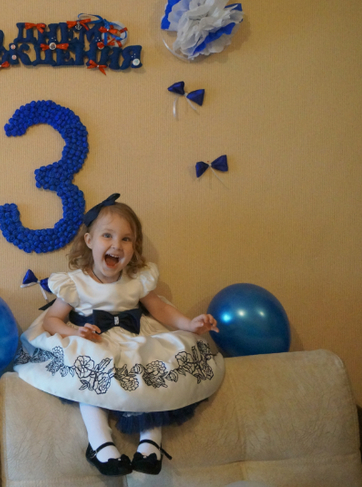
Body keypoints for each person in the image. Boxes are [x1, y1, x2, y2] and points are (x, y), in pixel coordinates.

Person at [14, 194, 225, 476]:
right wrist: (75, 331)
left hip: (135, 339)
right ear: (89, 240)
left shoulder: (138, 279)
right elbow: (52, 321)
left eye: (126, 239)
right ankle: (100, 443)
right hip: (94, 341)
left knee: (154, 371)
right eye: (108, 235)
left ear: (134, 247)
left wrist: (190, 324)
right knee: (88, 371)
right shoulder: (75, 282)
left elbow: (161, 309)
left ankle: (151, 442)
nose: (116, 244)